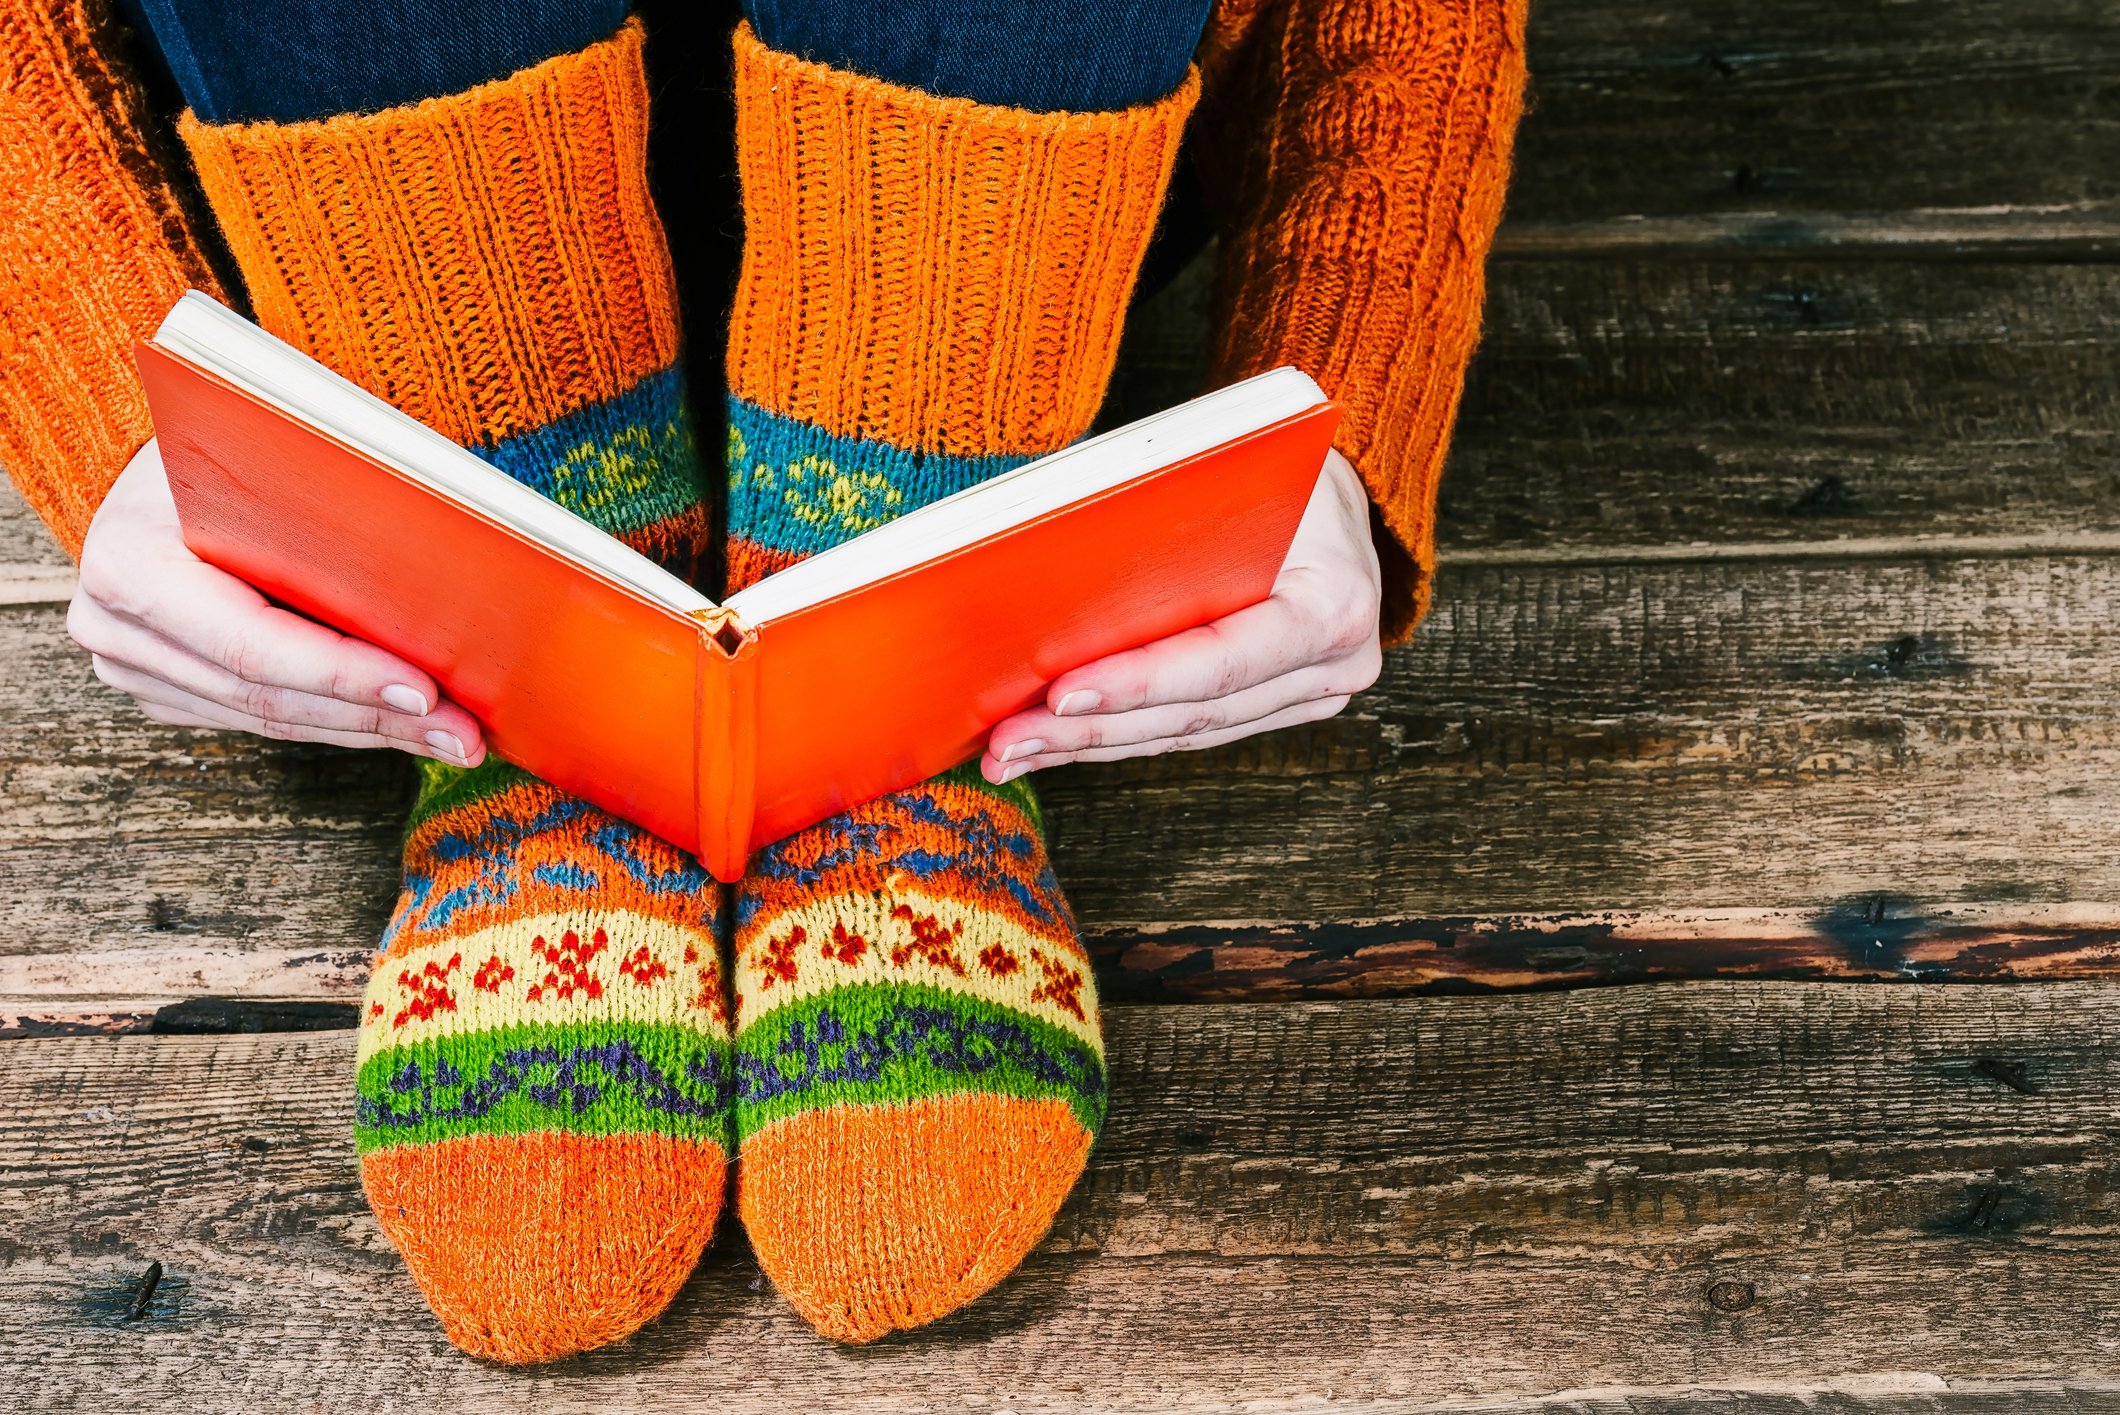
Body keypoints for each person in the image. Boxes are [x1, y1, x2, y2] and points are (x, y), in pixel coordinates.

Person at [0, 0, 1526, 1360]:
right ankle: (553, 732)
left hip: (1027, 231)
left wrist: (1339, 364)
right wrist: (91, 365)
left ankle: (882, 700)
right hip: (344, 246)